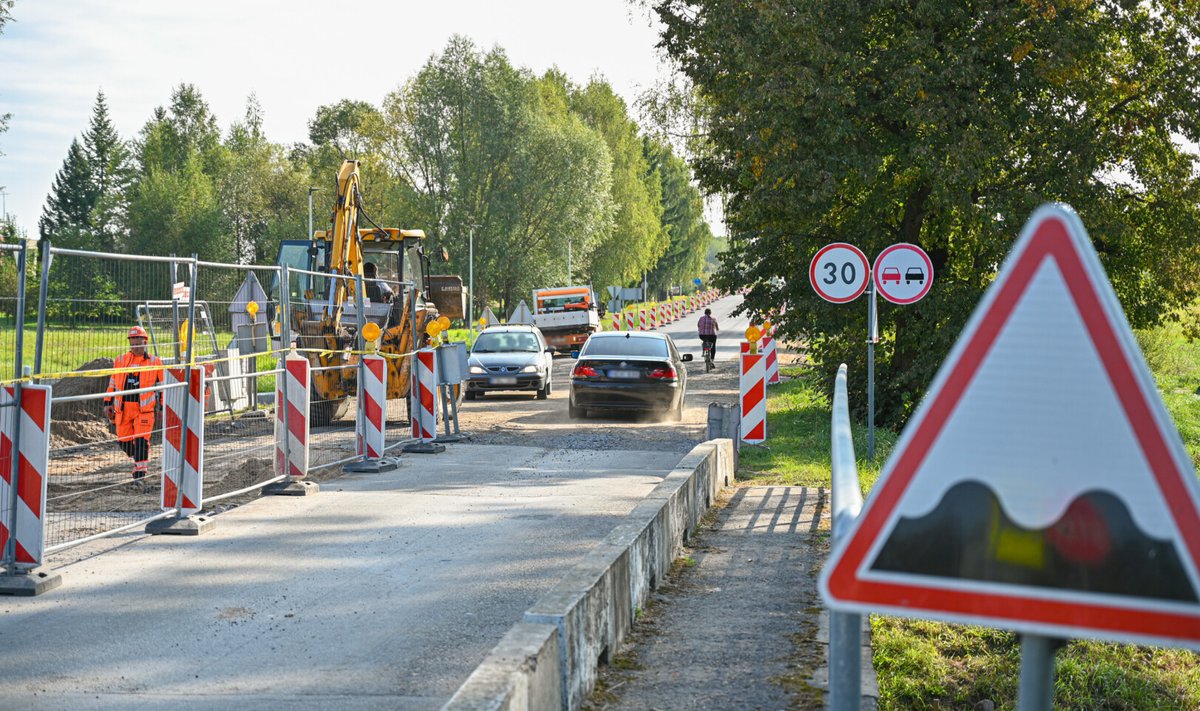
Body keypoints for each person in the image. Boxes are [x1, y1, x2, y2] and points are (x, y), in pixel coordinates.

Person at [103, 326, 164, 482]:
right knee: (124, 442)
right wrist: (107, 402)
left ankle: (139, 474)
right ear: (130, 342)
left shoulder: (155, 362)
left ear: (145, 341)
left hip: (144, 411)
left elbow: (164, 387)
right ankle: (138, 457)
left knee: (142, 441)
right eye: (133, 340)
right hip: (122, 410)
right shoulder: (121, 360)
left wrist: (163, 407)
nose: (136, 343)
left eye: (139, 339)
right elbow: (113, 382)